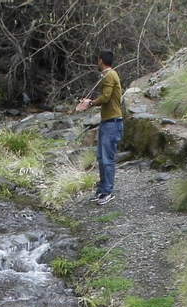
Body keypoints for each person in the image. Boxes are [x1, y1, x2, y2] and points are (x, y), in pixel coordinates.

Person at [74, 50, 123, 205]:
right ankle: (101, 190)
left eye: (97, 60)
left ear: (100, 60)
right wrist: (91, 102)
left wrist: (90, 103)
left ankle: (107, 192)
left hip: (112, 123)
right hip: (107, 122)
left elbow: (106, 97)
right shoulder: (109, 75)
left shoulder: (109, 75)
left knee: (107, 159)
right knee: (102, 158)